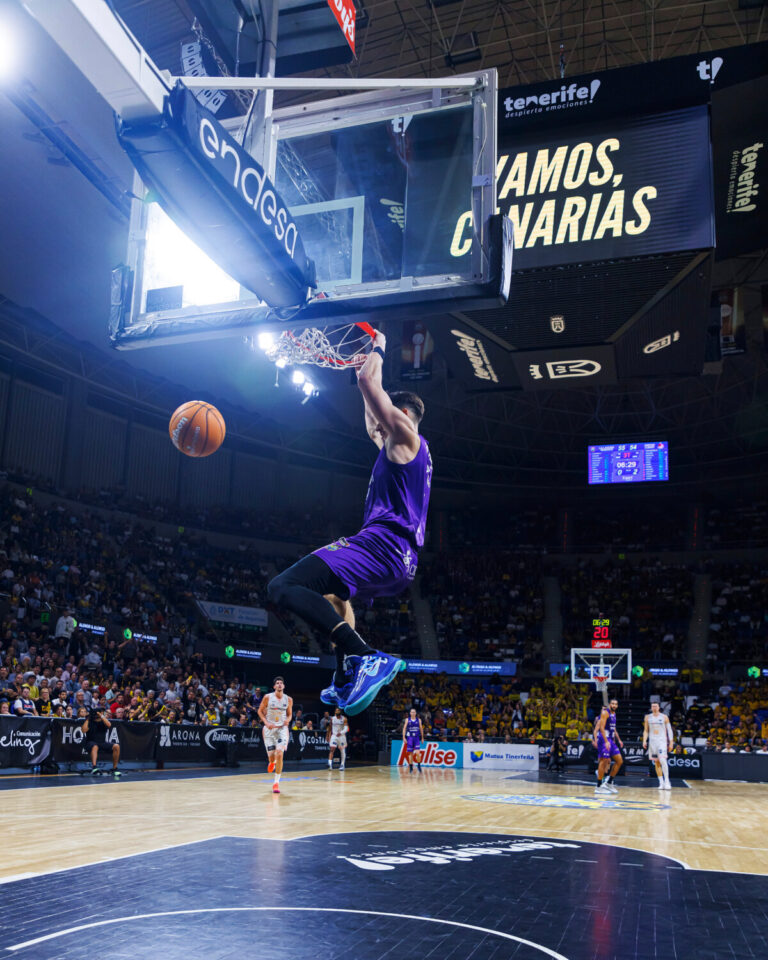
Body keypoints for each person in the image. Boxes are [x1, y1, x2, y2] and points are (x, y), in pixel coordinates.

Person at [267, 330, 432, 716]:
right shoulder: (402, 451)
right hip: (398, 560)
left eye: (384, 416)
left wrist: (378, 348)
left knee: (283, 586)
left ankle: (366, 657)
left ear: (403, 415)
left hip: (383, 544)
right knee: (336, 599)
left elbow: (368, 383)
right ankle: (345, 674)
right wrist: (364, 386)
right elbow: (370, 411)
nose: (376, 425)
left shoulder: (406, 436)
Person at [257, 677, 292, 794]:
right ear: (274, 687)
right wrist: (266, 722)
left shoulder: (288, 699)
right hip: (269, 729)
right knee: (272, 756)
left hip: (282, 729)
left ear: (284, 686)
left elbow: (290, 715)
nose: (279, 685)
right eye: (277, 683)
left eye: (281, 683)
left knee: (280, 753)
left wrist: (288, 720)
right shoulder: (267, 697)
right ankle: (272, 762)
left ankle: (276, 783)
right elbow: (259, 711)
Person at [82, 705, 121, 778]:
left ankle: (114, 768)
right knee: (95, 746)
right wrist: (88, 719)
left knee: (116, 746)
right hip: (90, 742)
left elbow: (109, 725)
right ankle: (94, 767)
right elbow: (83, 730)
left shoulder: (103, 721)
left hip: (102, 742)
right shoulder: (90, 721)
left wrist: (101, 716)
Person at [642, 701, 674, 790]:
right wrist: (644, 740)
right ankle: (661, 782)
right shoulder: (648, 717)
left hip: (662, 742)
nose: (654, 708)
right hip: (652, 742)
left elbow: (669, 730)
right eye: (653, 706)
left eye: (656, 706)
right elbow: (646, 730)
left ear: (659, 707)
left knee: (663, 760)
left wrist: (671, 742)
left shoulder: (664, 717)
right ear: (651, 708)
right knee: (657, 762)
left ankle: (667, 781)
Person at [594, 699, 623, 795]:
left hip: (610, 739)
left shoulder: (614, 714)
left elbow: (613, 729)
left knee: (619, 761)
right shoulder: (605, 713)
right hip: (604, 739)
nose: (614, 705)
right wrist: (606, 741)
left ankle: (609, 782)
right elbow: (601, 728)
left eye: (616, 704)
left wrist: (617, 740)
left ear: (617, 706)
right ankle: (598, 786)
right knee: (604, 761)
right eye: (612, 704)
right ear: (609, 704)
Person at [402, 707, 424, 772]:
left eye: (414, 712)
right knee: (410, 753)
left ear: (416, 713)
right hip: (410, 738)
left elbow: (421, 729)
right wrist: (403, 737)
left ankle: (419, 765)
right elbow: (404, 728)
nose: (413, 713)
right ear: (410, 713)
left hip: (416, 738)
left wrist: (422, 738)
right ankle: (411, 767)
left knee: (417, 753)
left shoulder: (419, 720)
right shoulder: (407, 720)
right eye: (412, 712)